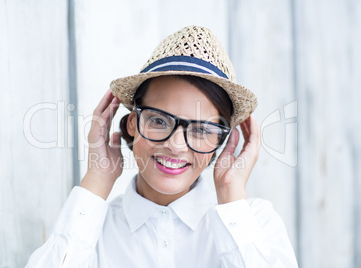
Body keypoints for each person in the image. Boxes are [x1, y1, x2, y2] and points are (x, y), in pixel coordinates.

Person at [26, 25, 298, 267]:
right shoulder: (90, 228)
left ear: (220, 141)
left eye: (202, 129)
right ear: (133, 123)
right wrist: (95, 182)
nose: (176, 145)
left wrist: (230, 192)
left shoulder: (254, 223)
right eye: (159, 120)